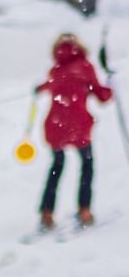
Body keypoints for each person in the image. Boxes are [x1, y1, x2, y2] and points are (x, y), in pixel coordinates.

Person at [35, 33, 114, 230]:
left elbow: (51, 85)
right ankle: (84, 209)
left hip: (56, 125)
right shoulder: (85, 68)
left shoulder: (56, 69)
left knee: (56, 167)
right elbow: (101, 96)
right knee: (87, 166)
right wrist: (112, 86)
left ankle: (47, 212)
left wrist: (39, 88)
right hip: (78, 127)